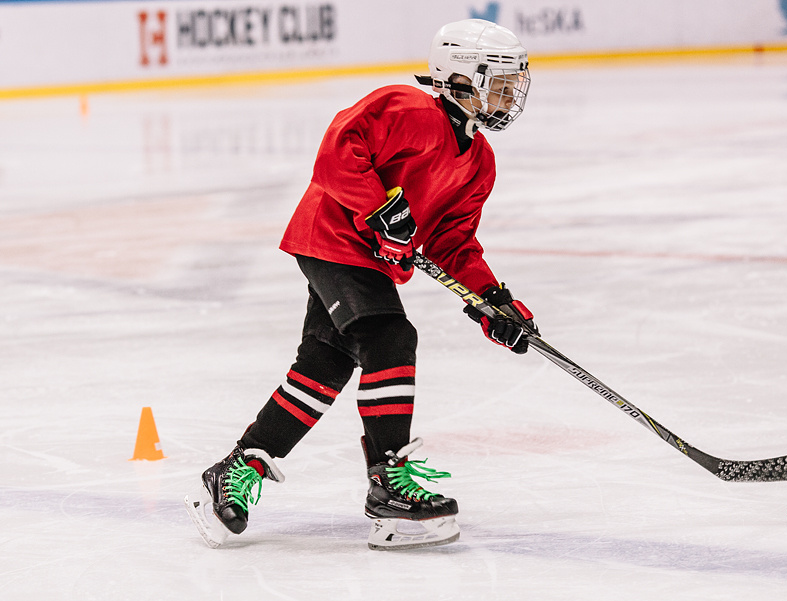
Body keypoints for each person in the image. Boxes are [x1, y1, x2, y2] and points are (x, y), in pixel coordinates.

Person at [185, 18, 538, 551]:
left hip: (368, 260)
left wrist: (493, 300)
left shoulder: (479, 162)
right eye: (500, 83)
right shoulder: (408, 109)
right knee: (389, 338)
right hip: (331, 236)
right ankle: (388, 482)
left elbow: (453, 242)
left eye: (514, 85)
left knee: (324, 364)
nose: (510, 96)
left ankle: (237, 468)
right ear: (460, 78)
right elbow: (337, 149)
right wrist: (380, 209)